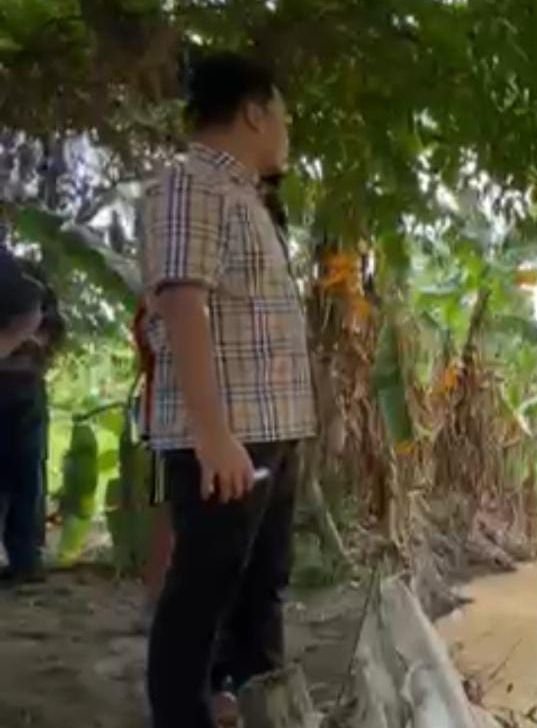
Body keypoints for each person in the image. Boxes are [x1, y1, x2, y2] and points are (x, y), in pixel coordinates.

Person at [138, 53, 315, 728]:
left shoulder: (248, 199)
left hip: (271, 429)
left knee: (261, 588)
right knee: (202, 593)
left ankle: (257, 708)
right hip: (229, 436)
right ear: (254, 112)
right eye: (284, 118)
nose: (287, 133)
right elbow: (183, 304)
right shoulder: (192, 184)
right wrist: (213, 436)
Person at [0, 252, 61, 586]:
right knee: (25, 475)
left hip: (19, 384)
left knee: (24, 475)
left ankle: (25, 560)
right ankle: (25, 561)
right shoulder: (23, 272)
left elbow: (39, 317)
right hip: (24, 382)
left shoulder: (16, 273)